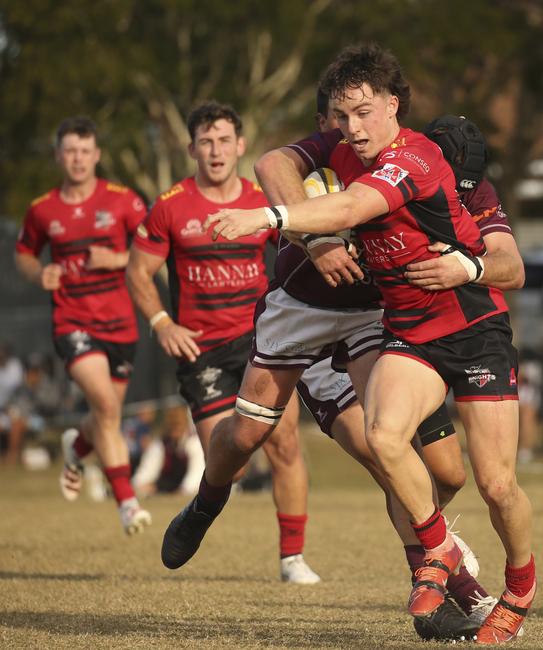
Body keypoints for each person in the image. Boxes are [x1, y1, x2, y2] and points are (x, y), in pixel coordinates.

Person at [199, 44, 536, 644]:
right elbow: (279, 162)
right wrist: (305, 233)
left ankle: (521, 585)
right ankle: (438, 552)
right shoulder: (345, 145)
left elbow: (357, 206)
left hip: (473, 329)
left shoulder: (416, 159)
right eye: (343, 115)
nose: (351, 128)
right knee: (383, 437)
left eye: (363, 114)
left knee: (495, 484)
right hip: (406, 331)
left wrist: (268, 220)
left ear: (392, 107)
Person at [126, 101, 320, 584]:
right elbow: (138, 271)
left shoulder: (262, 199)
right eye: (205, 142)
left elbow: (300, 253)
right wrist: (161, 322)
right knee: (225, 464)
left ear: (240, 146)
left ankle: (292, 559)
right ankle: (202, 505)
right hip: (202, 351)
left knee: (286, 444)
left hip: (263, 342)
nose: (215, 150)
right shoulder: (171, 204)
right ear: (192, 148)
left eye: (224, 140)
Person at [15, 116, 151, 535]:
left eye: (84, 151)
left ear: (97, 156)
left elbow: (152, 248)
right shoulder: (43, 209)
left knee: (104, 414)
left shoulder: (123, 200)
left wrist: (115, 259)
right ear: (59, 156)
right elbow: (24, 253)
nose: (77, 159)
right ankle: (127, 502)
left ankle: (75, 447)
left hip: (121, 326)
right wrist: (39, 274)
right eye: (69, 151)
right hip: (72, 322)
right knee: (107, 408)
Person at [132, 405, 205, 497]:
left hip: (185, 492)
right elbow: (145, 473)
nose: (174, 427)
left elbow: (195, 477)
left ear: (185, 423)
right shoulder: (160, 444)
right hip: (166, 488)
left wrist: (181, 492)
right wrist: (142, 487)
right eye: (171, 423)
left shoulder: (195, 444)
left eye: (178, 423)